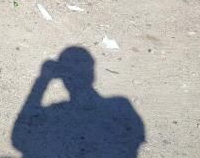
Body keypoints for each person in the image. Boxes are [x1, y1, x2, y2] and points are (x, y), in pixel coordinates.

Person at [12, 47, 145, 158]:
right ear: (92, 73)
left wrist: (42, 80)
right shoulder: (122, 106)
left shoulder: (57, 114)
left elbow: (18, 139)